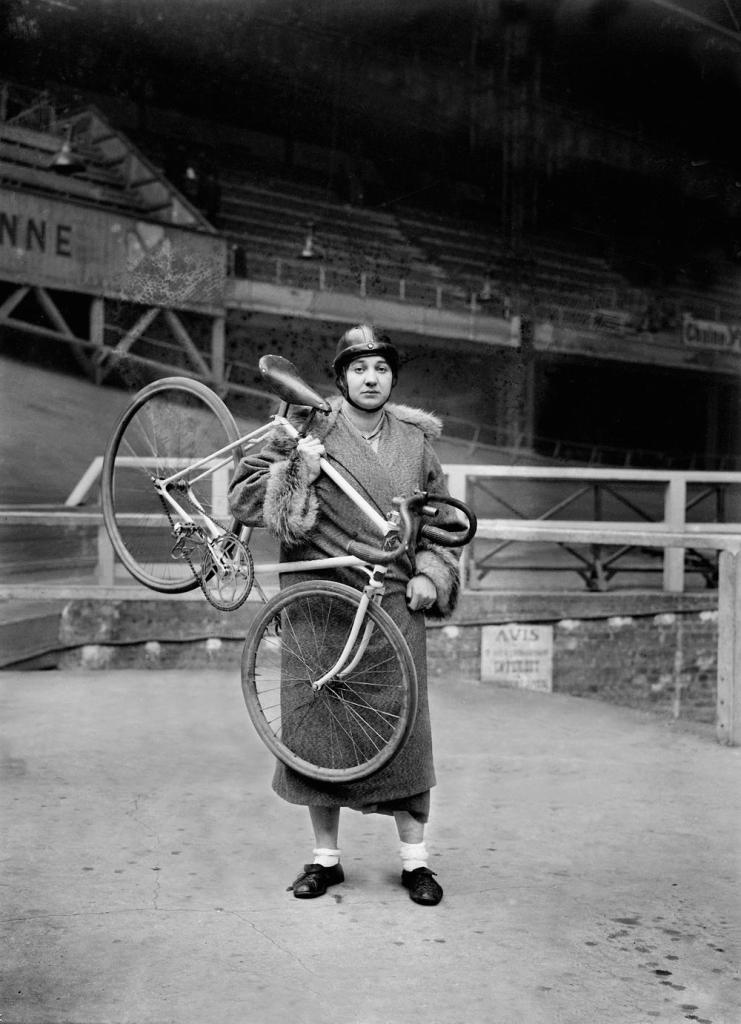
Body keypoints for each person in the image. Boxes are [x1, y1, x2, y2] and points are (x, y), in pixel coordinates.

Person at [228, 324, 460, 906]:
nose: (370, 378)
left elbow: (444, 525)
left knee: (406, 736)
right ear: (340, 378)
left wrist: (431, 575)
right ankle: (324, 859)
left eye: (380, 368)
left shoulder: (415, 444)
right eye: (358, 368)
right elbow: (243, 499)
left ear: (392, 378)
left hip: (394, 602)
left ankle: (415, 863)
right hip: (319, 603)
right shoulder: (305, 425)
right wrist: (296, 470)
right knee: (317, 733)